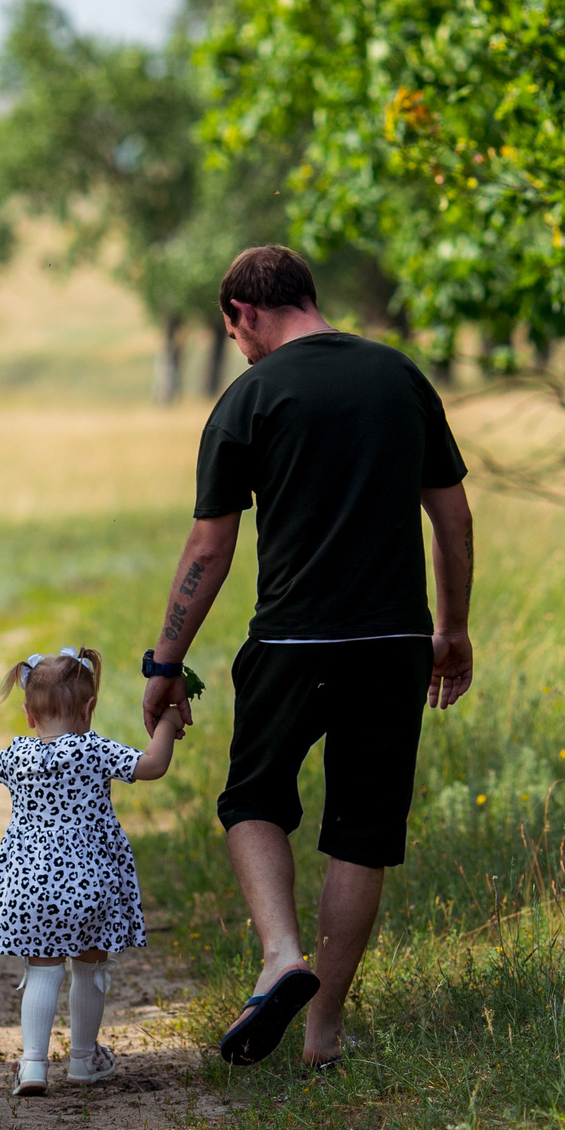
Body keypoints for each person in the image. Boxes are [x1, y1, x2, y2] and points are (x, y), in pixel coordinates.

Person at [139, 245, 475, 1069]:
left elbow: (208, 548)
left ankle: (281, 953)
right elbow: (454, 516)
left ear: (245, 314)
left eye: (234, 330)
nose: (240, 344)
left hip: (292, 641)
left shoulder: (248, 396)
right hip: (395, 641)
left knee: (252, 799)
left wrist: (164, 661)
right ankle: (322, 1036)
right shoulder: (400, 379)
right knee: (363, 831)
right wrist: (452, 630)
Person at [0, 646, 182, 1096]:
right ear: (89, 709)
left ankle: (32, 1065)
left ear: (29, 715)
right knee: (89, 970)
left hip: (31, 888)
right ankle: (84, 1061)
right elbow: (154, 765)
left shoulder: (19, 755)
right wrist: (167, 721)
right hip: (90, 886)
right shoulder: (96, 751)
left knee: (43, 970)